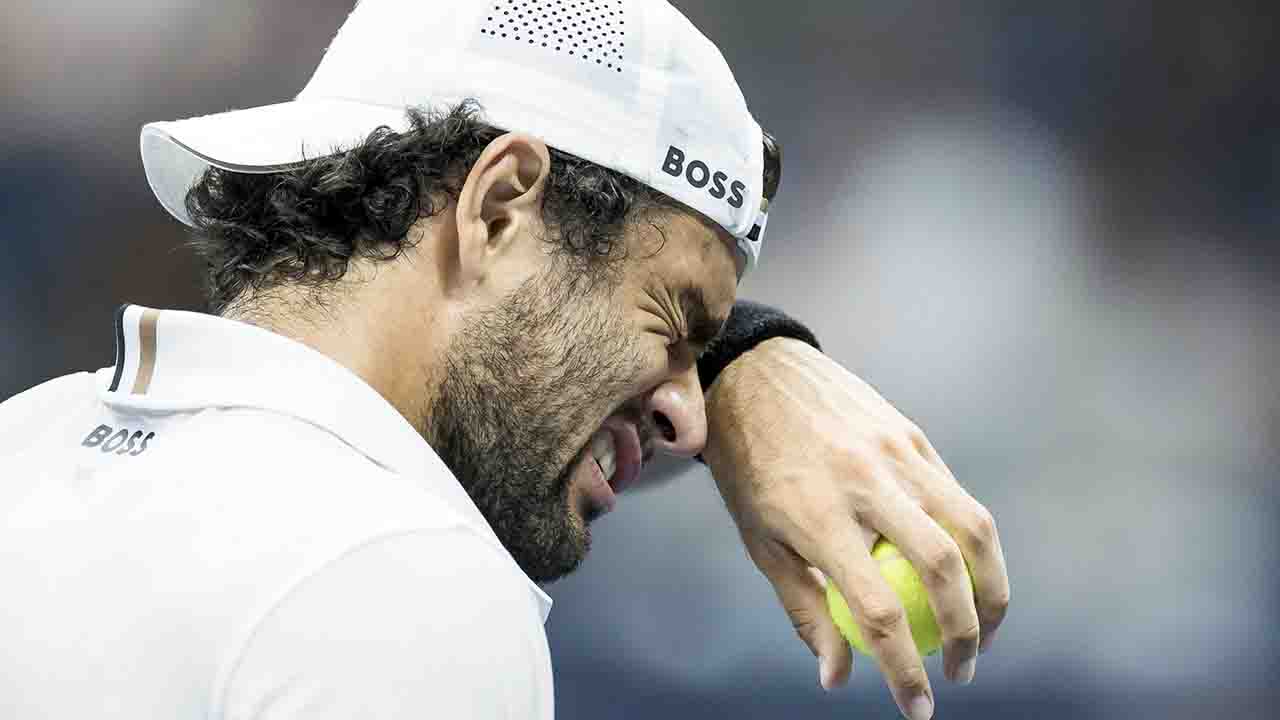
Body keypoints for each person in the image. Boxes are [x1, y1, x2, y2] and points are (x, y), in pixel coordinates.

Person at [0, 1, 1008, 718]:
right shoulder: (405, 586)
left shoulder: (30, 448)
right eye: (673, 319)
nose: (691, 425)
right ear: (496, 209)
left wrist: (745, 351)